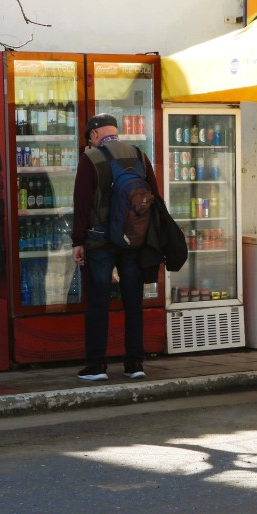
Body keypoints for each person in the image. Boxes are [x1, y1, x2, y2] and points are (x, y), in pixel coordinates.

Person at [71, 114, 159, 380]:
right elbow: (153, 197)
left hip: (99, 243)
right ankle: (135, 365)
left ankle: (97, 366)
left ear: (94, 135)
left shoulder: (91, 158)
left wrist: (78, 241)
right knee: (133, 303)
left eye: (89, 138)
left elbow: (82, 204)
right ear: (115, 132)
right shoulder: (139, 155)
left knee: (98, 302)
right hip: (133, 242)